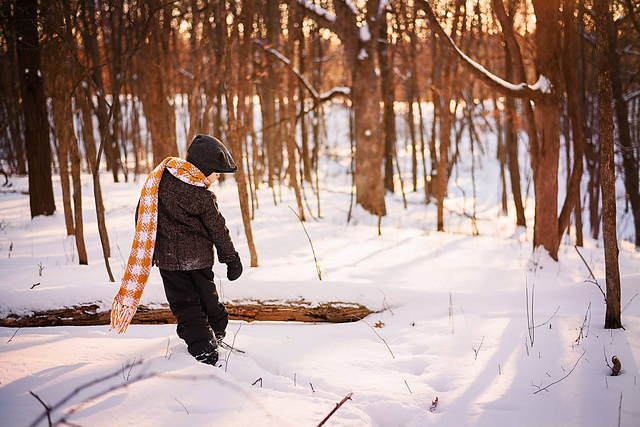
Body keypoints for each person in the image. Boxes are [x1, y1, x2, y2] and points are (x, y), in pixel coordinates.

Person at [110, 135, 242, 367]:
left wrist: (149, 251)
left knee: (185, 305)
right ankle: (210, 344)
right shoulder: (203, 196)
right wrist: (231, 259)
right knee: (206, 298)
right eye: (216, 172)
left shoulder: (158, 183)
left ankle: (205, 341)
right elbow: (218, 229)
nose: (218, 177)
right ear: (204, 170)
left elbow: (143, 215)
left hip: (169, 262)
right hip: (199, 261)